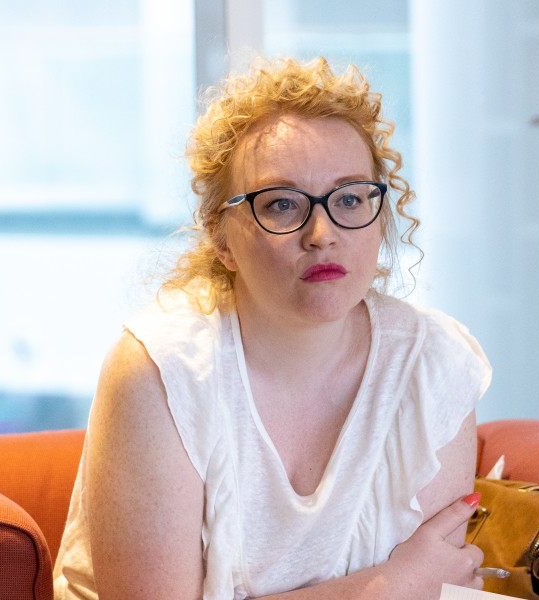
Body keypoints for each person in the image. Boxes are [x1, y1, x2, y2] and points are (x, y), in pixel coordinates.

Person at [53, 55, 492, 600]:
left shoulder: (434, 363)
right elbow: (416, 587)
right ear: (221, 238)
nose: (322, 233)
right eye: (282, 204)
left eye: (349, 198)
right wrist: (391, 586)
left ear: (380, 217)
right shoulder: (159, 370)